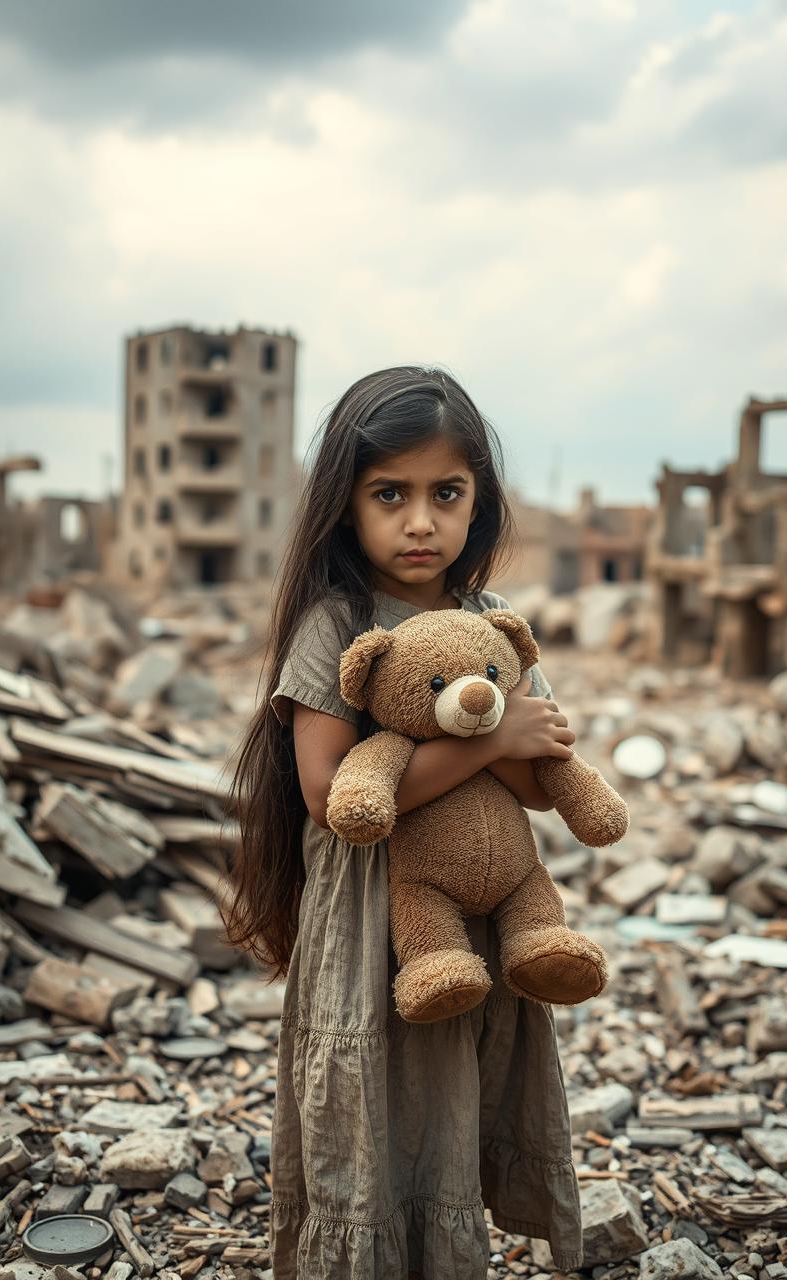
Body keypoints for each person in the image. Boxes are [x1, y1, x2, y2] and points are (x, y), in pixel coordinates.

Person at [225, 366, 585, 1280]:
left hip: (478, 917)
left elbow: (545, 786)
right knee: (376, 1095)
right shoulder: (336, 622)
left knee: (457, 1091)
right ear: (346, 504)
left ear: (481, 505)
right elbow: (327, 791)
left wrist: (511, 737)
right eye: (391, 494)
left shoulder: (495, 623)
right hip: (372, 916)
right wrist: (491, 735)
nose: (420, 520)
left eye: (446, 493)